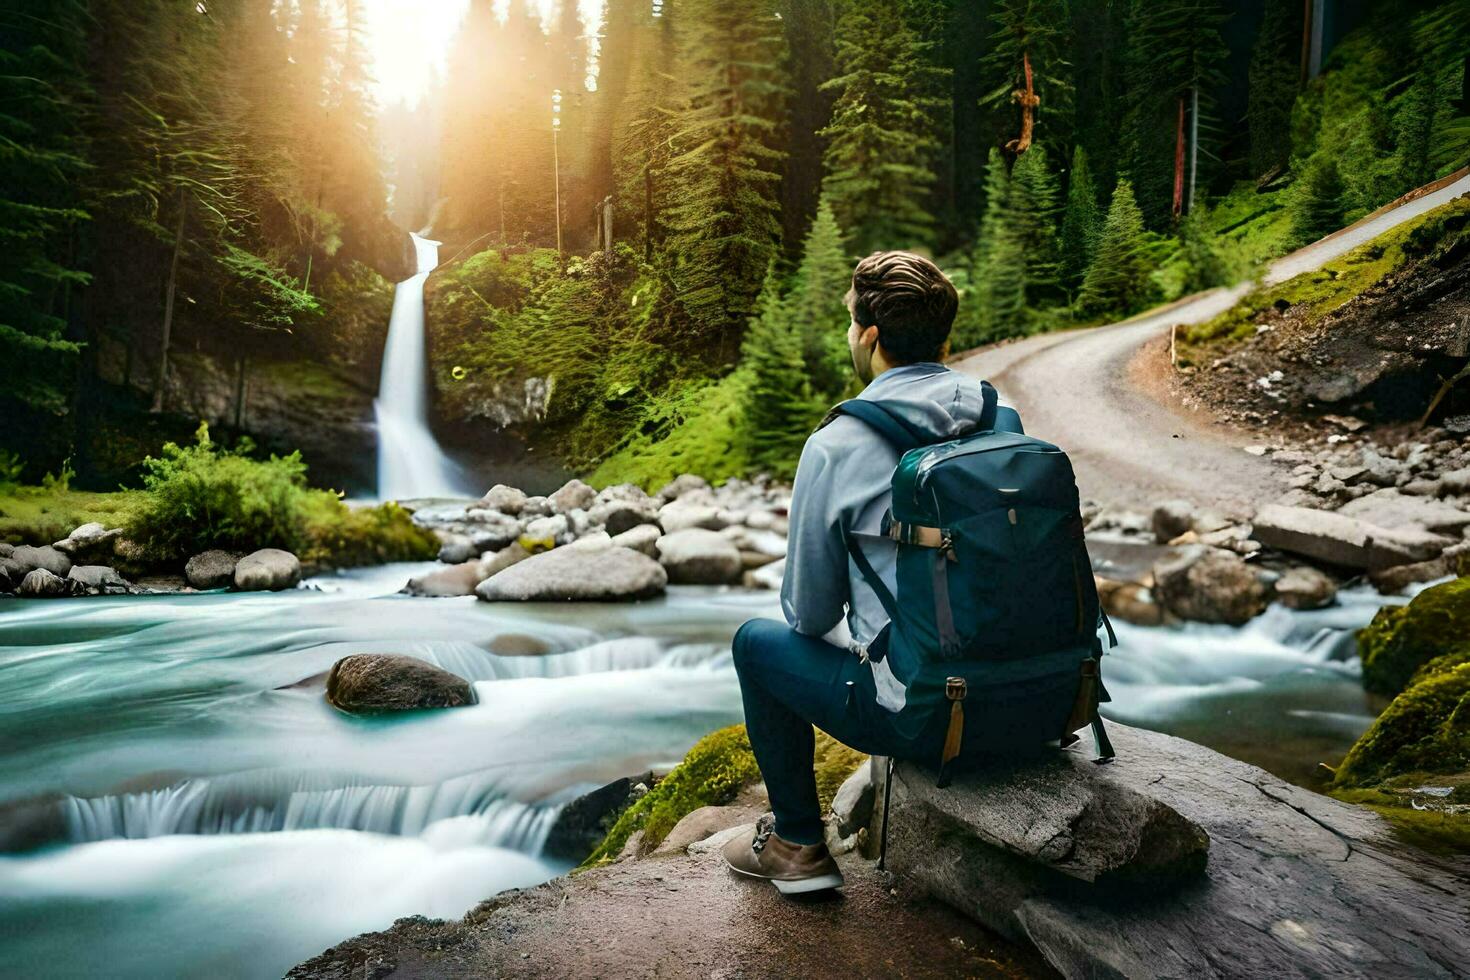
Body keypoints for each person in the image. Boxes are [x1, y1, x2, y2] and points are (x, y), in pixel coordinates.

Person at [722, 250, 1026, 895]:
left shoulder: (837, 444)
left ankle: (797, 845)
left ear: (870, 337)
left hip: (922, 715)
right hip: (1036, 696)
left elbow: (807, 615)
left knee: (755, 644)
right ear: (944, 335)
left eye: (850, 324)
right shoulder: (1002, 417)